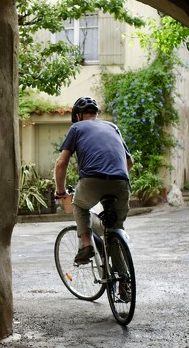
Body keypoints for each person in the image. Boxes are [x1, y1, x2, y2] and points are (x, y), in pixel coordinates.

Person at [54, 96, 134, 264]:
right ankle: (123, 282)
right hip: (121, 183)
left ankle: (86, 244)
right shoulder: (113, 127)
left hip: (92, 181)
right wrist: (114, 177)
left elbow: (61, 163)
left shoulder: (77, 127)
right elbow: (130, 162)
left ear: (77, 116)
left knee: (79, 205)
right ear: (96, 114)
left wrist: (60, 191)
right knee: (116, 228)